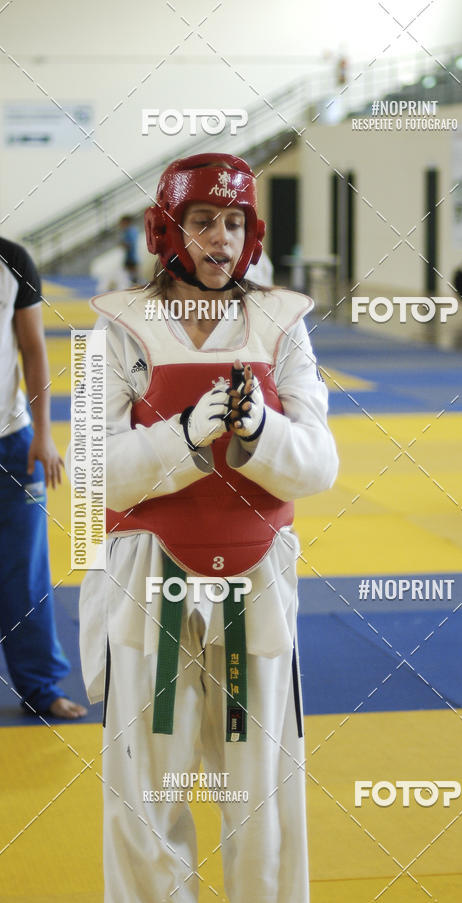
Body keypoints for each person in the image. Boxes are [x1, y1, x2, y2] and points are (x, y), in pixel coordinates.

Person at [76, 153, 338, 902]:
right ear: (169, 229)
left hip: (252, 583)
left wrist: (259, 434)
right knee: (146, 786)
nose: (218, 238)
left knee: (258, 787)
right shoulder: (120, 328)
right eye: (201, 222)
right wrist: (186, 440)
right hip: (152, 580)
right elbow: (94, 467)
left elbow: (319, 464)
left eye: (233, 222)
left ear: (250, 234)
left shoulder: (282, 324)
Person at [0, 236, 87, 719]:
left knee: (24, 571)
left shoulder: (12, 261)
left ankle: (40, 687)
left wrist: (45, 436)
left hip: (12, 440)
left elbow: (33, 350)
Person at [118, 214, 140, 284]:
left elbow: (130, 244)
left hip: (132, 257)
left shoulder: (131, 231)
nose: (121, 225)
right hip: (129, 257)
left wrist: (123, 244)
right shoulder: (126, 232)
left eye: (122, 223)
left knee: (134, 277)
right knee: (130, 276)